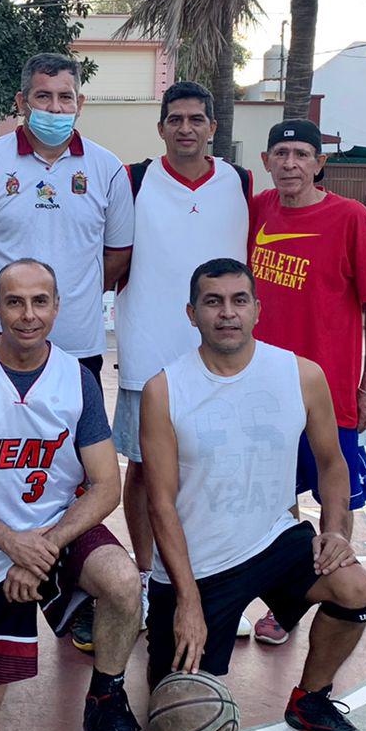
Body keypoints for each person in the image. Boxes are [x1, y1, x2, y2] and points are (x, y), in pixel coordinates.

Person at [141, 258, 366, 731]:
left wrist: (335, 530)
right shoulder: (165, 390)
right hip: (199, 564)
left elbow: (333, 465)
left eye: (238, 301)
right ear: (192, 313)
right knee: (180, 719)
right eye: (213, 302)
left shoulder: (300, 375)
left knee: (354, 587)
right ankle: (182, 631)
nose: (227, 313)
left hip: (272, 540)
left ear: (256, 310)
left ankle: (312, 701)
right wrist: (185, 601)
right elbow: (159, 503)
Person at [0, 259, 154, 731]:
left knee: (122, 582)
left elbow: (106, 487)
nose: (28, 315)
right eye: (14, 302)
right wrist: (12, 544)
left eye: (40, 302)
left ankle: (106, 702)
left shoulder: (77, 379)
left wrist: (37, 550)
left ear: (57, 306)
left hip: (57, 533)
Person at [113, 80, 251, 632]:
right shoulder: (135, 180)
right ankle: (148, 580)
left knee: (216, 468)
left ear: (212, 127)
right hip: (148, 351)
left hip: (219, 355)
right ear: (162, 126)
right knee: (145, 471)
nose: (186, 128)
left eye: (197, 118)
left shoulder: (240, 182)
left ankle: (218, 582)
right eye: (176, 119)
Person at [246, 120, 366, 645]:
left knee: (336, 506)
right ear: (266, 161)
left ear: (319, 162)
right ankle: (286, 607)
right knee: (281, 507)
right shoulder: (259, 210)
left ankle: (334, 595)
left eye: (301, 154)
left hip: (329, 395)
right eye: (280, 153)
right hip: (265, 393)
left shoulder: (351, 218)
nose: (291, 164)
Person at [0, 52, 134, 384]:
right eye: (43, 96)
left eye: (65, 97)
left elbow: (118, 254)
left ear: (79, 103)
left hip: (76, 347)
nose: (55, 108)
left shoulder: (108, 170)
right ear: (22, 101)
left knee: (76, 437)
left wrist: (71, 293)